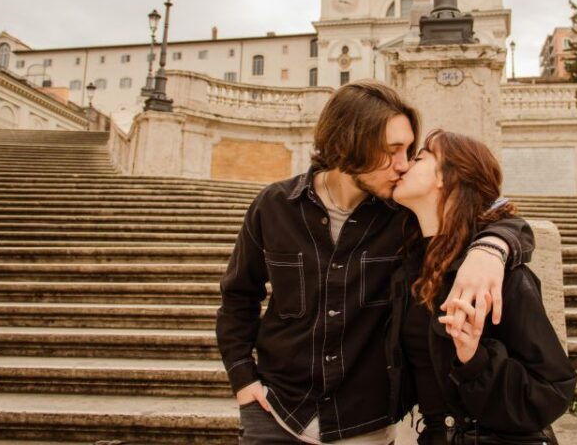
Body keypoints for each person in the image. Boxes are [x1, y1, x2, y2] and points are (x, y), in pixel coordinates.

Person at [216, 80, 534, 444]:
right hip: (277, 413)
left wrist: (492, 248)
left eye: (409, 150)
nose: (403, 165)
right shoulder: (274, 206)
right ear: (345, 143)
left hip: (365, 423)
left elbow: (499, 215)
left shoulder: (403, 214)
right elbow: (238, 297)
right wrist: (243, 379)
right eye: (391, 150)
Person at [390, 129, 577, 444]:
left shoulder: (499, 276)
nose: (405, 165)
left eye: (419, 157)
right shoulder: (411, 267)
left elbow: (553, 391)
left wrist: (475, 360)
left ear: (447, 178)